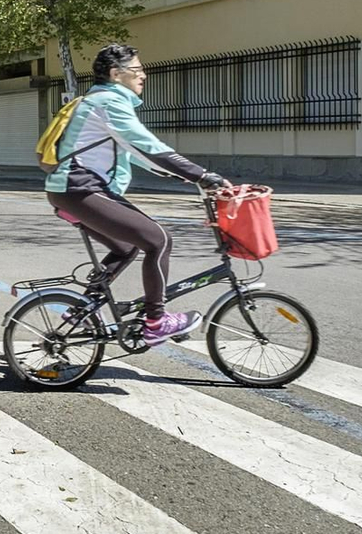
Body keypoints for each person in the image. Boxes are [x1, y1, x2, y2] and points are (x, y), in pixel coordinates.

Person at [44, 44, 227, 346]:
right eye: (138, 70)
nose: (143, 76)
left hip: (74, 190)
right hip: (79, 189)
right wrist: (202, 175)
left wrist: (177, 173)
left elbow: (136, 152)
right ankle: (156, 321)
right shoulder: (107, 102)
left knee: (127, 247)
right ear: (117, 74)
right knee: (159, 239)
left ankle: (80, 311)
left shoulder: (102, 101)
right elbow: (147, 146)